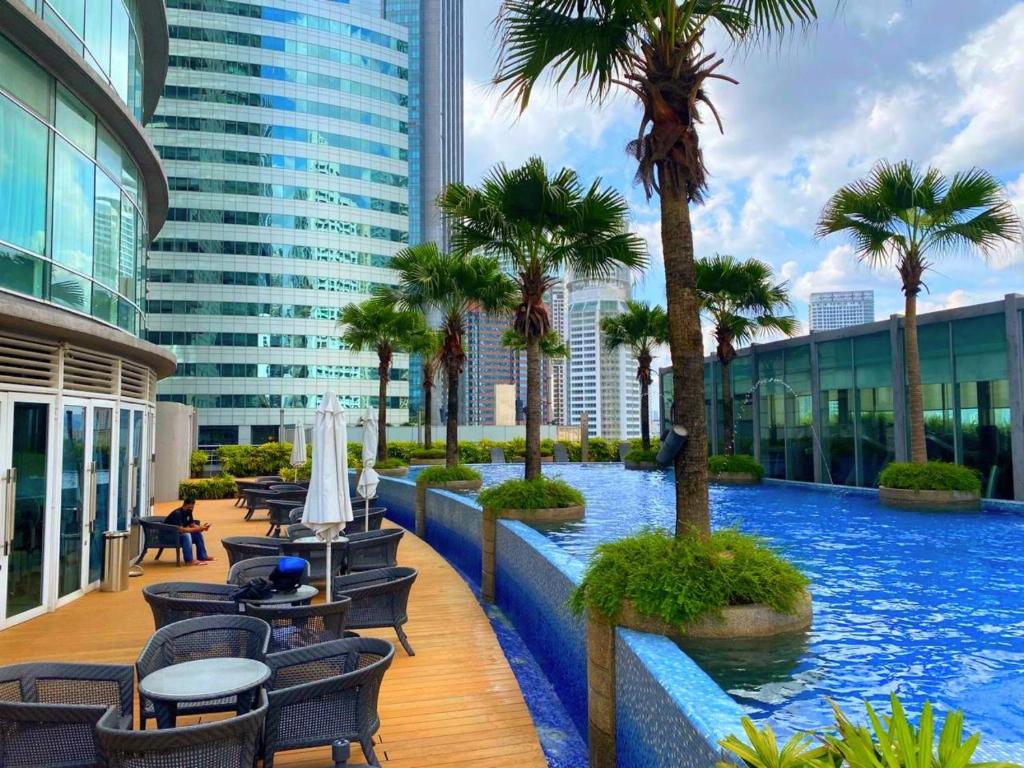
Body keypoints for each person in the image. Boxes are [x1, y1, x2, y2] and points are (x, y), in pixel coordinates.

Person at [164, 498, 214, 566]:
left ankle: (203, 556)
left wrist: (202, 528)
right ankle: (189, 560)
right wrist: (198, 529)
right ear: (184, 505)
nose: (191, 509)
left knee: (197, 534)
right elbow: (182, 530)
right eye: (189, 507)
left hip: (178, 535)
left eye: (192, 507)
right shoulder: (177, 513)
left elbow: (192, 524)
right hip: (169, 536)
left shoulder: (188, 512)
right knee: (186, 535)